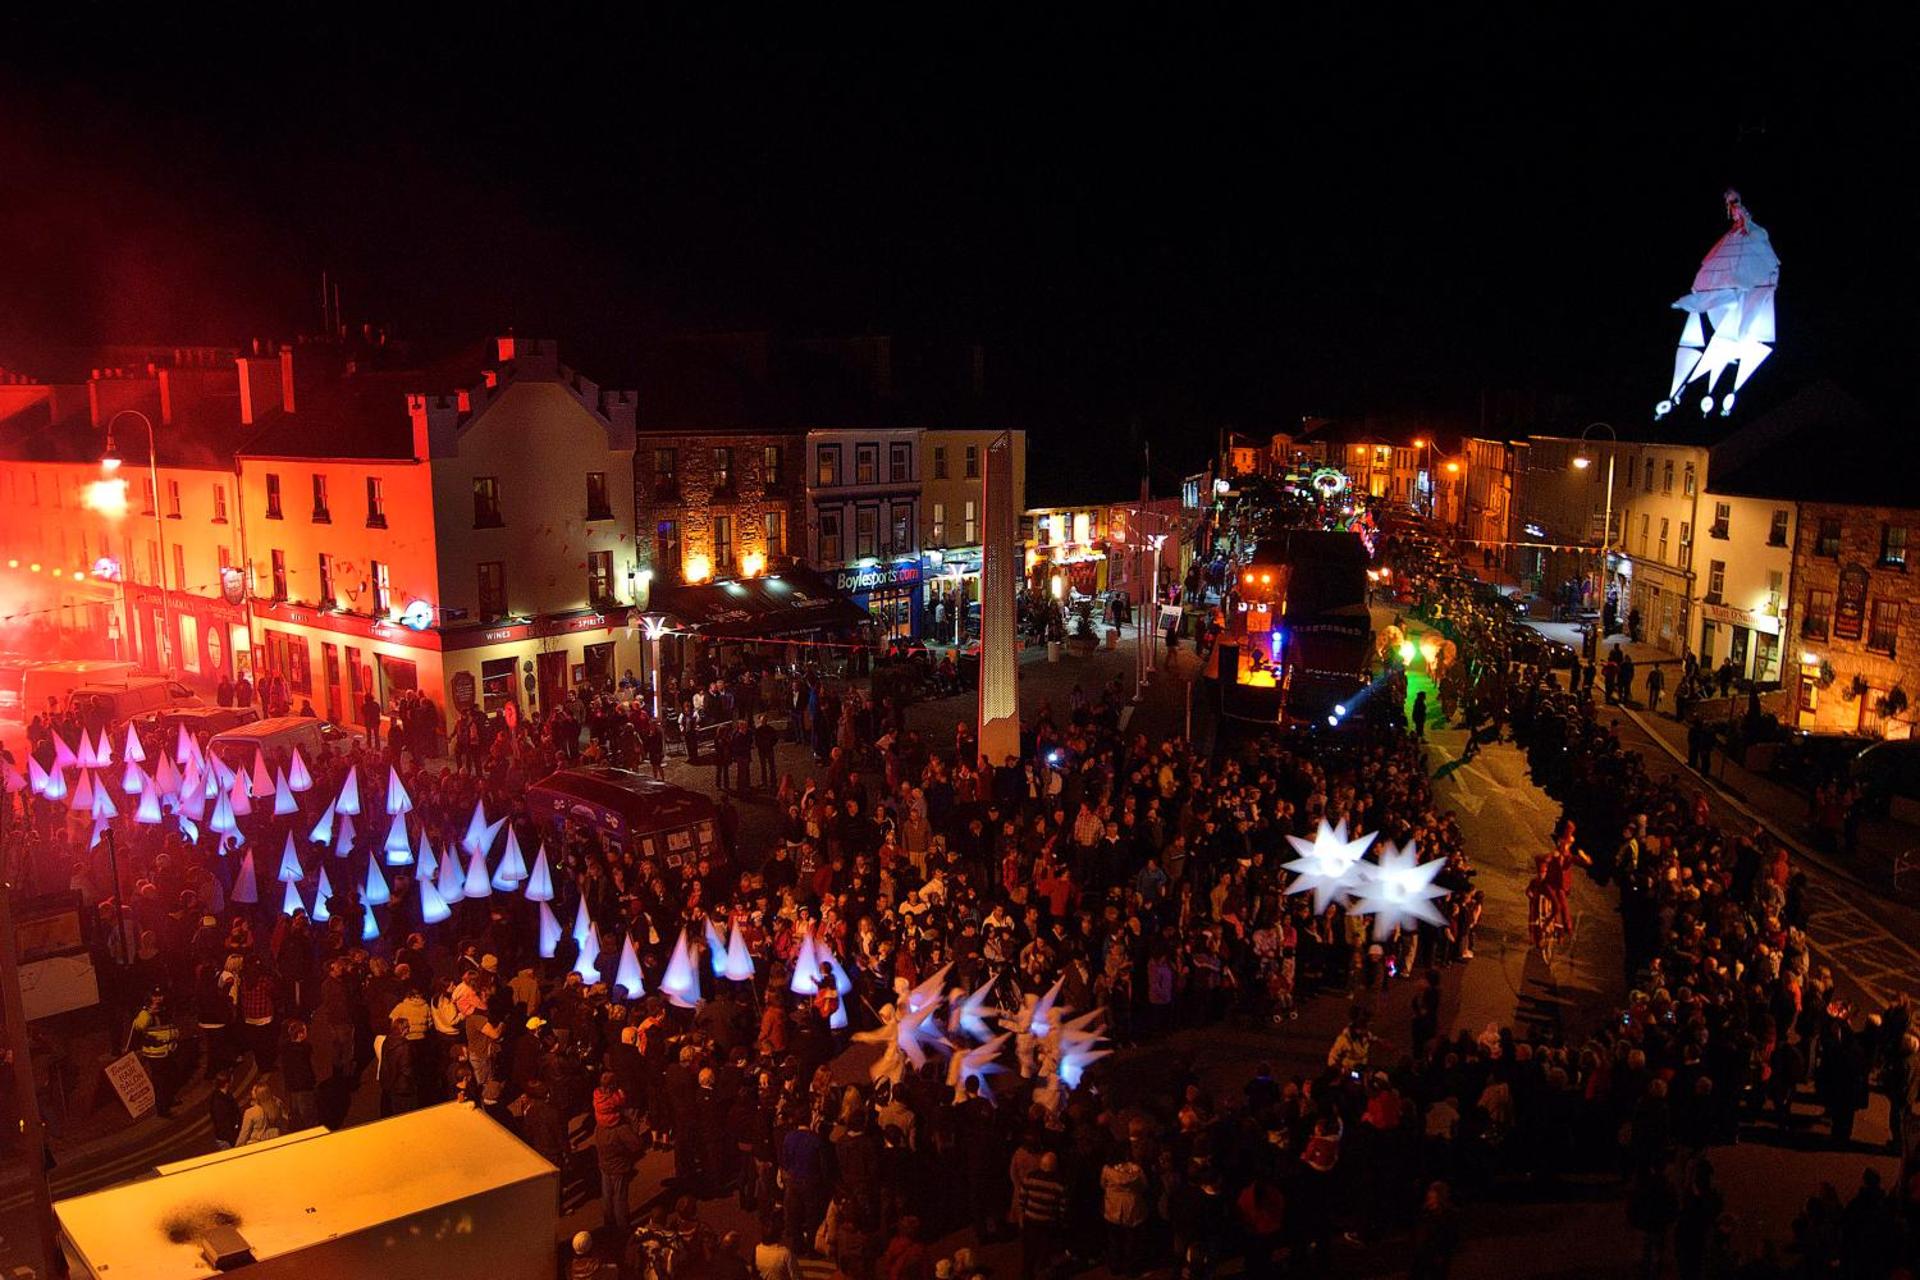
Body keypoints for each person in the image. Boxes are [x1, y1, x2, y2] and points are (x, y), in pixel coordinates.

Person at [131, 991, 181, 1117]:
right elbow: (138, 1026)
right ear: (149, 998)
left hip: (167, 1050)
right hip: (155, 1053)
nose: (158, 999)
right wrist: (148, 1013)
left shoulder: (164, 1010)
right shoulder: (145, 1013)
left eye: (160, 996)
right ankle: (163, 1109)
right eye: (155, 996)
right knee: (160, 1082)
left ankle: (169, 1099)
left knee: (170, 1077)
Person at [236, 1080, 287, 1145]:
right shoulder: (277, 1105)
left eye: (254, 1090)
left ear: (257, 1094)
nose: (251, 1092)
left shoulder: (250, 1112)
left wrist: (236, 1148)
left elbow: (244, 1135)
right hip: (275, 1142)